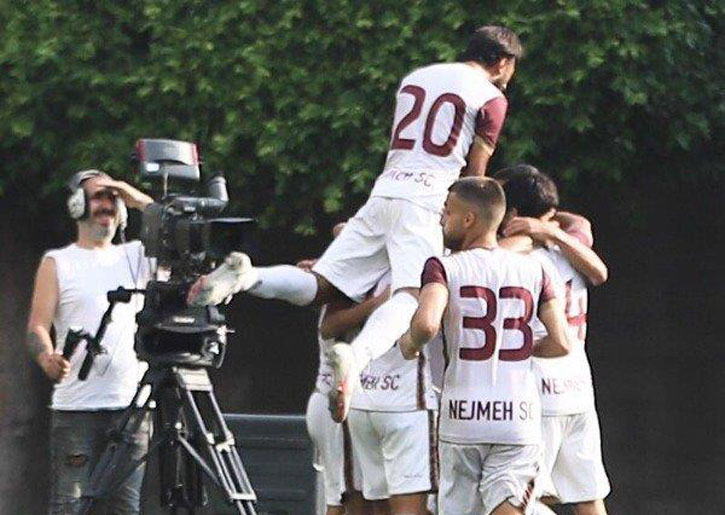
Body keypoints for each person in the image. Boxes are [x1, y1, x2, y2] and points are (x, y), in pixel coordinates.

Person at [188, 25, 524, 423]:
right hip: (428, 200)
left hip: (385, 190)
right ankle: (357, 357)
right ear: (503, 62)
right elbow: (475, 175)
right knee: (413, 295)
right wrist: (469, 223)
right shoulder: (490, 97)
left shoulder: (418, 78)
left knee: (323, 284)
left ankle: (248, 277)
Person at [397, 177, 571, 515]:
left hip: (461, 417)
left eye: (447, 212)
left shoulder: (442, 266)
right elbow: (562, 342)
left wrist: (408, 343)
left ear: (468, 219)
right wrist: (521, 347)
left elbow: (427, 324)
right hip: (517, 417)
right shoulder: (536, 270)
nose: (441, 219)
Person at [26, 170, 154, 514]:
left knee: (125, 508)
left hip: (131, 408)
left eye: (113, 199)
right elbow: (37, 327)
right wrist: (47, 358)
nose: (107, 204)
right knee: (69, 506)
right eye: (98, 196)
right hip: (76, 410)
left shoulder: (137, 256)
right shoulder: (58, 262)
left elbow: (173, 232)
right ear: (77, 205)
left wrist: (133, 197)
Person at [496, 166, 611, 515]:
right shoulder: (571, 248)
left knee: (521, 499)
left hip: (536, 393)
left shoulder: (515, 259)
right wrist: (547, 226)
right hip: (577, 387)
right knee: (589, 496)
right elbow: (582, 228)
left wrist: (536, 229)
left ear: (513, 214)